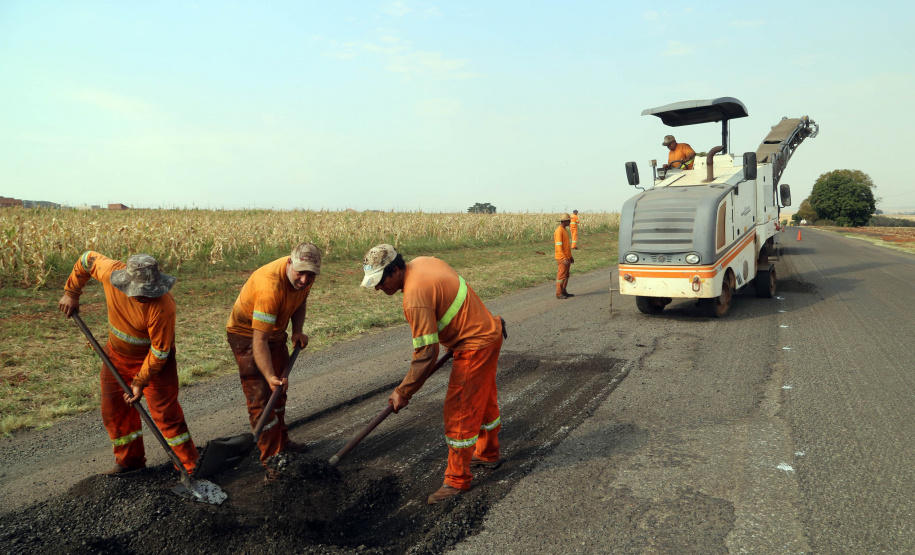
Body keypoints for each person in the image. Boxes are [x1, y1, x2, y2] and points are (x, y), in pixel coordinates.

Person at [360, 244, 505, 505]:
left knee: (460, 410)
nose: (377, 288)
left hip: (474, 345)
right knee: (482, 400)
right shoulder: (425, 262)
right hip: (489, 331)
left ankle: (457, 481)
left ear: (394, 270)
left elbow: (426, 354)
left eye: (380, 282)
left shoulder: (414, 296)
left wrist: (403, 391)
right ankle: (487, 453)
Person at [58, 252, 198, 475]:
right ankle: (129, 462)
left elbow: (159, 353)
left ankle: (189, 467)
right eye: (138, 291)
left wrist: (140, 382)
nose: (143, 295)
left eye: (148, 291)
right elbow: (86, 259)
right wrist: (71, 293)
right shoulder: (111, 272)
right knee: (114, 411)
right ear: (126, 281)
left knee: (166, 414)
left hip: (154, 365)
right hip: (116, 356)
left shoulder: (163, 307)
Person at [225, 242, 321, 467]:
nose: (305, 280)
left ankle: (282, 442)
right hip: (247, 336)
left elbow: (301, 300)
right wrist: (269, 376)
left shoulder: (304, 278)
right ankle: (272, 460)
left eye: (311, 275)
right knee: (262, 397)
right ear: (289, 263)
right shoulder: (270, 288)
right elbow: (259, 341)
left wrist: (297, 330)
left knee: (279, 391)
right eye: (300, 273)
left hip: (275, 333)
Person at [555, 214, 575, 299]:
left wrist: (570, 256)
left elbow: (566, 246)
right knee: (561, 276)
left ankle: (564, 291)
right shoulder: (559, 231)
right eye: (568, 220)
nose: (570, 222)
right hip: (562, 258)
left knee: (566, 275)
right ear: (564, 221)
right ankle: (559, 293)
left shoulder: (564, 230)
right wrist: (563, 258)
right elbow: (559, 246)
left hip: (567, 257)